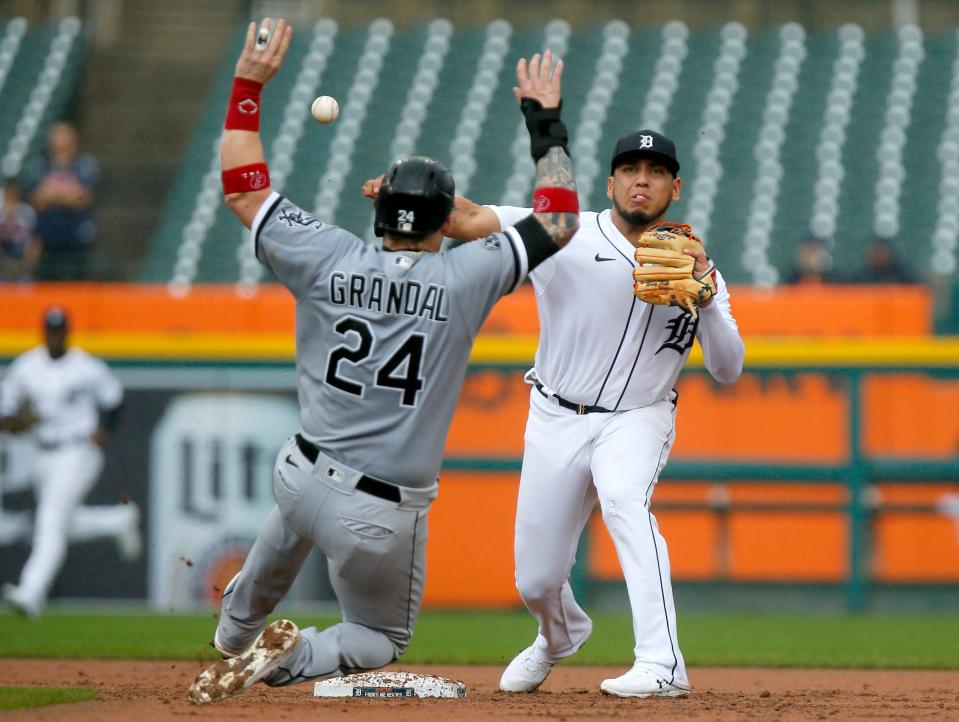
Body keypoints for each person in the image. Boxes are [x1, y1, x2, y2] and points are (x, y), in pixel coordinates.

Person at [187, 19, 579, 705]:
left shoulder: (328, 253)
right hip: (375, 511)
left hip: (299, 469)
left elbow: (244, 188)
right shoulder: (463, 276)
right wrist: (543, 123)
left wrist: (247, 87)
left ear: (380, 214)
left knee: (293, 519)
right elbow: (558, 219)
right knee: (377, 638)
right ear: (442, 223)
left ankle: (234, 631)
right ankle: (291, 654)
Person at [366, 129, 745, 697]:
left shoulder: (695, 267)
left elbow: (728, 368)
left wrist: (708, 294)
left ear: (675, 187)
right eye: (631, 169)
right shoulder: (562, 234)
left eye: (657, 171)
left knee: (624, 499)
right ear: (610, 181)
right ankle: (558, 635)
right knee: (537, 579)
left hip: (638, 416)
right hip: (556, 415)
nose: (643, 179)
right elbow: (471, 219)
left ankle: (663, 663)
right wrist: (413, 202)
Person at [0, 307, 140, 617]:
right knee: (60, 523)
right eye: (51, 330)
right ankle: (117, 520)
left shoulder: (85, 367)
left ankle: (30, 592)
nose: (55, 336)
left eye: (59, 330)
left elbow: (114, 399)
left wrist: (105, 430)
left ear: (67, 332)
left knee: (49, 521)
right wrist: (24, 419)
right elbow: (6, 419)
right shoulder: (27, 367)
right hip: (42, 454)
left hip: (78, 452)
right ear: (43, 332)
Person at [24, 121, 98, 280]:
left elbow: (82, 198)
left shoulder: (84, 165)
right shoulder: (39, 166)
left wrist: (53, 193)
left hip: (76, 236)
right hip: (47, 237)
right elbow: (37, 199)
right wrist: (67, 193)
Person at [0, 179, 41, 282]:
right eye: (9, 192)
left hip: (23, 263)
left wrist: (25, 265)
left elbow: (35, 242)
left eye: (14, 193)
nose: (12, 195)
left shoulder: (27, 212)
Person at [851, 237, 917, 284]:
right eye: (875, 251)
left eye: (881, 251)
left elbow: (917, 289)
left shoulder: (901, 273)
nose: (878, 255)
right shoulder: (862, 275)